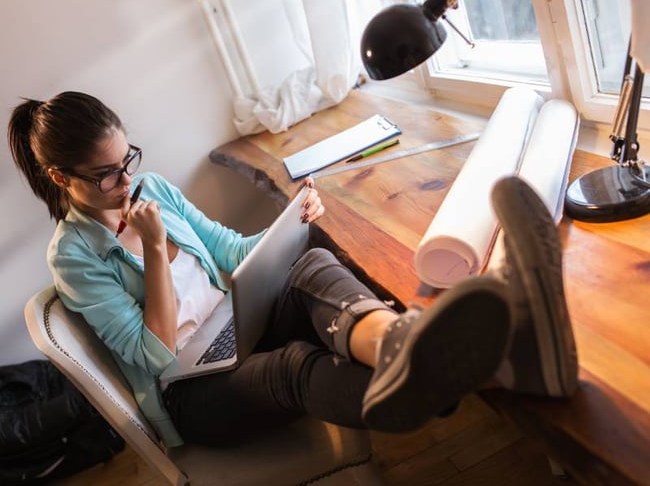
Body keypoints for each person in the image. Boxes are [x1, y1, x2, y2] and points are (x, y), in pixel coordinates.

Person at [8, 91, 578, 448]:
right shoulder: (72, 257)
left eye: (127, 159)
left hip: (239, 328)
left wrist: (287, 221)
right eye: (106, 174)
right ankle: (436, 379)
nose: (126, 181)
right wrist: (154, 250)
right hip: (191, 393)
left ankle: (400, 345)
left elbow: (231, 253)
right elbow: (153, 353)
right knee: (295, 366)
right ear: (62, 179)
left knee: (311, 262)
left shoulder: (154, 189)